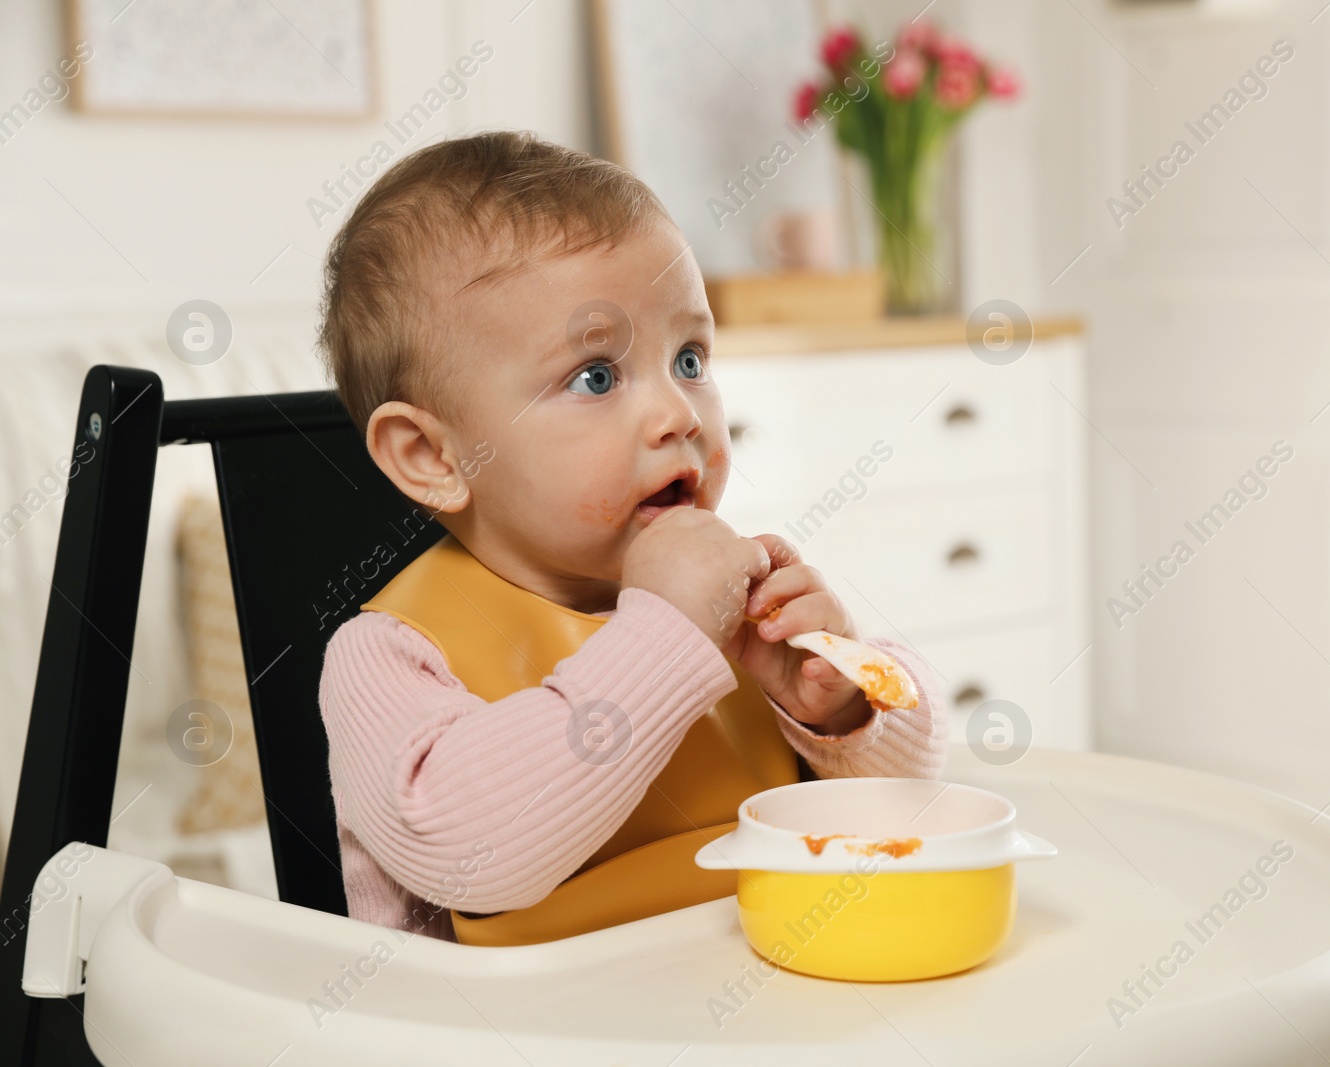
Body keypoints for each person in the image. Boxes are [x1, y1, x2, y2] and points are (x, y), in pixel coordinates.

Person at [314, 131, 948, 945]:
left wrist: (844, 703)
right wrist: (667, 636)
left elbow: (915, 794)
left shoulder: (738, 600)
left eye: (690, 358)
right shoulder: (387, 656)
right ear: (434, 456)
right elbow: (474, 852)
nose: (679, 414)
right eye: (597, 377)